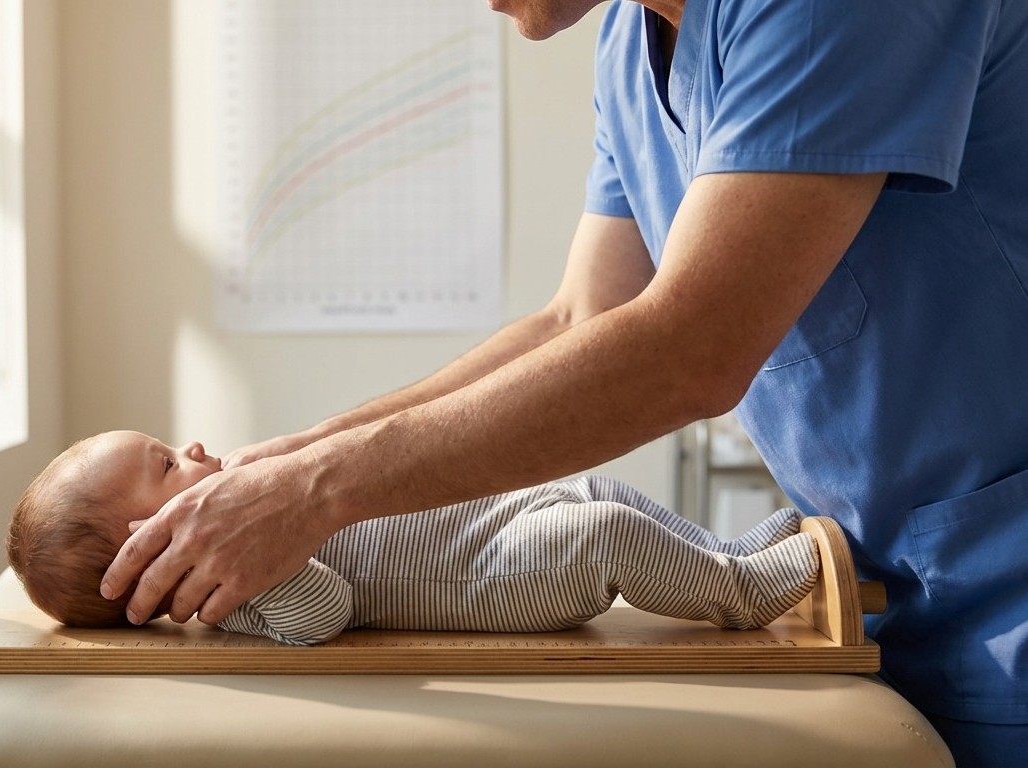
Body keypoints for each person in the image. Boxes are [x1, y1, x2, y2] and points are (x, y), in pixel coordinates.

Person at [100, 1, 1028, 762]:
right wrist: (298, 458)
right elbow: (579, 319)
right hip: (887, 587)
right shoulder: (631, 46)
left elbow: (689, 349)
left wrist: (311, 488)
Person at [9, 431, 819, 645]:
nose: (189, 447)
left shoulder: (241, 508)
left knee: (597, 491)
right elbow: (324, 613)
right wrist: (268, 569)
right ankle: (740, 597)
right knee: (603, 533)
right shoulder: (231, 592)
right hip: (489, 577)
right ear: (150, 545)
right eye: (164, 462)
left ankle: (719, 558)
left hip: (488, 520)